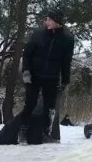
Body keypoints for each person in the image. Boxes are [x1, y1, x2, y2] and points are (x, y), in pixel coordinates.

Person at [20, 9, 76, 142]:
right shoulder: (38, 34)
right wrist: (26, 71)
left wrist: (65, 80)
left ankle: (46, 132)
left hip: (52, 77)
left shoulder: (67, 39)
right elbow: (27, 54)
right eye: (47, 19)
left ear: (57, 22)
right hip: (34, 75)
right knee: (30, 104)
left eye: (50, 20)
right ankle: (22, 132)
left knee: (49, 107)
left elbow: (66, 61)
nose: (47, 22)